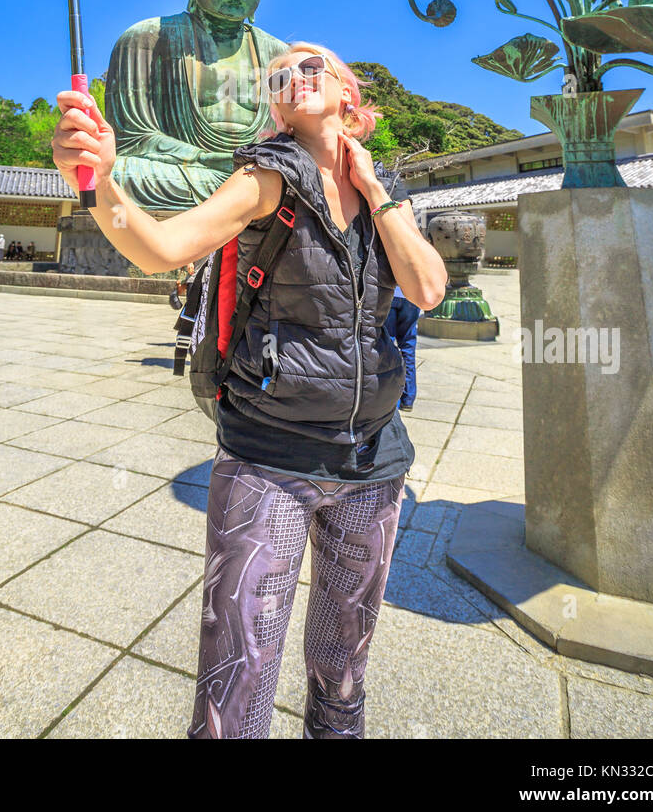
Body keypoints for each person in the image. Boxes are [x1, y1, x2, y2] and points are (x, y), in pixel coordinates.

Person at [51, 40, 447, 740]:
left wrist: (379, 192)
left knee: (344, 662)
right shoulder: (269, 176)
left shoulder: (390, 198)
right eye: (279, 76)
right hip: (269, 458)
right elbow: (162, 250)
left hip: (373, 462)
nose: (292, 77)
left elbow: (428, 288)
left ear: (351, 100)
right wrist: (99, 183)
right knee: (239, 671)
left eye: (311, 67)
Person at [385, 284, 421, 412]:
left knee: (386, 346)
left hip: (390, 292)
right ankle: (408, 398)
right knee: (408, 348)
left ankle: (390, 398)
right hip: (412, 295)